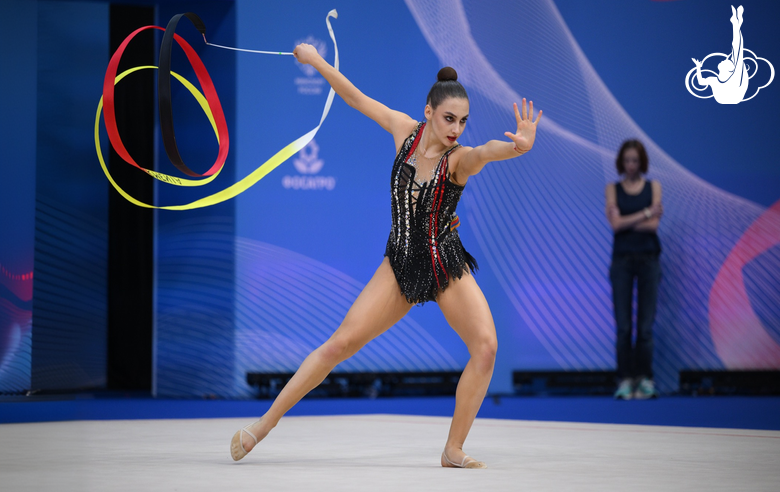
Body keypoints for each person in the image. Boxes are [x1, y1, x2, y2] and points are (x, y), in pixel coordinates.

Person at [229, 44, 541, 468]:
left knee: (485, 347)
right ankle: (261, 426)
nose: (456, 129)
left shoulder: (459, 161)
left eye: (463, 121)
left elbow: (486, 151)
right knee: (340, 344)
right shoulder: (403, 130)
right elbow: (356, 97)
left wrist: (517, 147)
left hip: (444, 262)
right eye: (449, 118)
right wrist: (316, 61)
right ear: (428, 112)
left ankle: (453, 449)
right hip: (400, 262)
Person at [605, 140, 662, 400]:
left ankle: (645, 379)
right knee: (624, 326)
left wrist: (629, 220)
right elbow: (616, 226)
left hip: (649, 259)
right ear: (621, 162)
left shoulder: (654, 187)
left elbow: (653, 227)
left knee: (646, 326)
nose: (631, 165)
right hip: (622, 262)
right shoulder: (612, 189)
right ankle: (625, 380)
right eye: (627, 160)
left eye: (635, 160)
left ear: (642, 162)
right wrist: (646, 212)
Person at [692, 5, 747, 104]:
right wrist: (698, 67)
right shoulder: (715, 80)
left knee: (737, 50)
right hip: (729, 96)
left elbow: (737, 48)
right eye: (727, 60)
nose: (725, 59)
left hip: (733, 95)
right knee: (737, 51)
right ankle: (736, 24)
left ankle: (736, 23)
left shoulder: (733, 77)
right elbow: (701, 82)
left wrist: (698, 68)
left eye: (726, 61)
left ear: (729, 69)